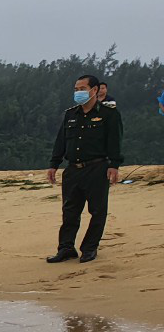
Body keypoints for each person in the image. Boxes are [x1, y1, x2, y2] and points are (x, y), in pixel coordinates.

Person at [46, 74, 124, 264]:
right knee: (70, 211)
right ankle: (66, 248)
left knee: (97, 211)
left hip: (97, 168)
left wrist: (114, 165)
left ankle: (89, 248)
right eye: (76, 89)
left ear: (94, 90)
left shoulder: (109, 114)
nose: (78, 92)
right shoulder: (71, 114)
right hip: (73, 169)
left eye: (82, 89)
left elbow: (115, 140)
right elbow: (61, 141)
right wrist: (54, 164)